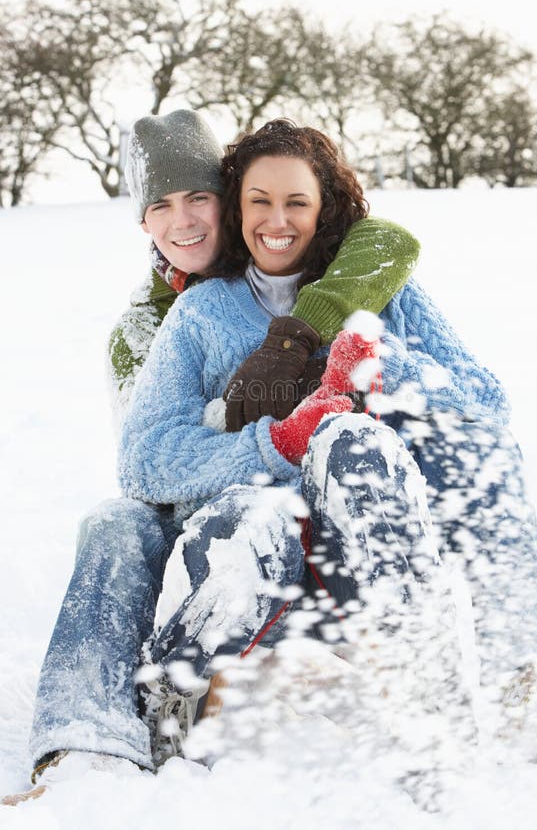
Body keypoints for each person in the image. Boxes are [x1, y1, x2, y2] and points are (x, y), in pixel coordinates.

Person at [118, 119, 537, 774]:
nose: (277, 220)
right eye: (259, 201)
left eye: (297, 202)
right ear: (235, 208)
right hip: (271, 551)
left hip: (377, 544)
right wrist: (275, 438)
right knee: (323, 451)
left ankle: (525, 686)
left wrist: (376, 372)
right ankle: (189, 703)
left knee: (449, 447)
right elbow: (145, 457)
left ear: (325, 209)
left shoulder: (379, 293)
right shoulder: (200, 315)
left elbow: (483, 402)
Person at [2, 111, 421, 806]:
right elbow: (149, 461)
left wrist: (311, 340)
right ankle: (83, 750)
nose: (184, 221)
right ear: (143, 223)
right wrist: (261, 425)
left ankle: (190, 705)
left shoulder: (315, 268)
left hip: (295, 534)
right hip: (188, 517)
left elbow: (384, 238)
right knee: (116, 521)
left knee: (250, 510)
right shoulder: (148, 326)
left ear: (230, 202)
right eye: (160, 206)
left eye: (199, 198)